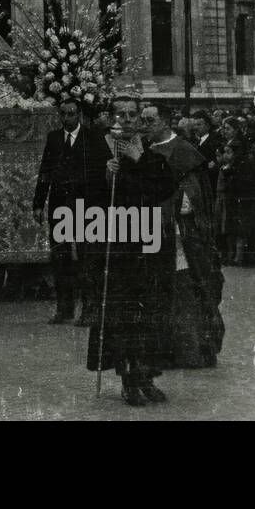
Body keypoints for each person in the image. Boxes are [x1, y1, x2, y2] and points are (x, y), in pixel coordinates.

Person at [87, 96, 182, 407]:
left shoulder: (150, 149)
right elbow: (85, 195)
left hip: (151, 242)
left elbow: (164, 187)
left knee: (152, 309)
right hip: (119, 243)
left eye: (132, 114)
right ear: (110, 117)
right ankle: (128, 378)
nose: (127, 119)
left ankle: (147, 375)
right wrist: (105, 175)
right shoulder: (100, 147)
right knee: (125, 311)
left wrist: (140, 159)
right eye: (121, 114)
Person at [141, 103, 224, 370]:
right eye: (143, 120)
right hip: (148, 231)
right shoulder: (142, 149)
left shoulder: (183, 151)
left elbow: (193, 198)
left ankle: (192, 350)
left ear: (165, 121)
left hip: (180, 235)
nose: (145, 124)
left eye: (150, 120)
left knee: (185, 289)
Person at [34, 98, 109, 325]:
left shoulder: (93, 137)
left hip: (87, 207)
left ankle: (90, 309)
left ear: (79, 115)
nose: (67, 118)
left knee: (88, 258)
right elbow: (45, 171)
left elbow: (104, 169)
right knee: (60, 258)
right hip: (59, 206)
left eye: (71, 114)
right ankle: (64, 309)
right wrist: (38, 203)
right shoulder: (54, 138)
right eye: (63, 114)